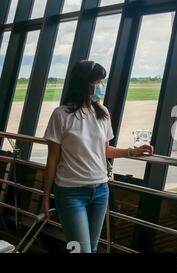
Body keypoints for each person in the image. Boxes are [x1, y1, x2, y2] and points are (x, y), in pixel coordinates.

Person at [40, 60, 153, 253]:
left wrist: (132, 151)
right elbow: (52, 159)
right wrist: (45, 196)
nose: (101, 86)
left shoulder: (102, 113)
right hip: (70, 193)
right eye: (98, 81)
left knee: (90, 249)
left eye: (102, 81)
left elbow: (105, 150)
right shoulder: (61, 115)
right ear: (85, 83)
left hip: (100, 190)